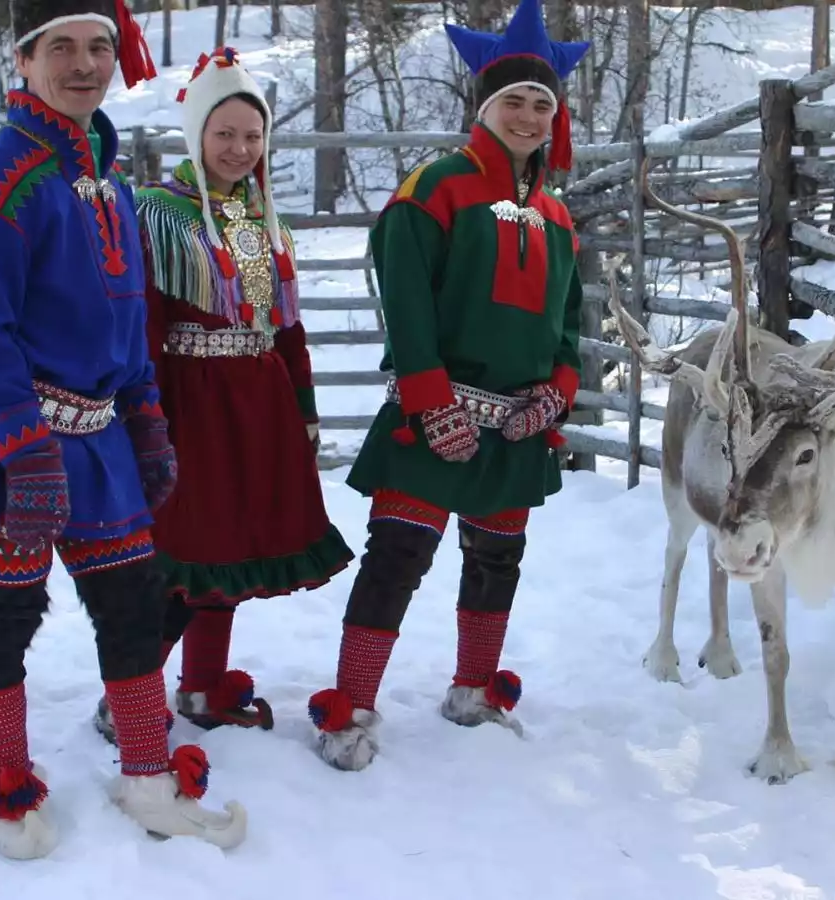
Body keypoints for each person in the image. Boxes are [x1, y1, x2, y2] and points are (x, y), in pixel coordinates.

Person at [0, 0, 245, 859]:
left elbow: (125, 320)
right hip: (9, 443)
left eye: (98, 46)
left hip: (102, 443)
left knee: (131, 605)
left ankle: (147, 776)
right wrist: (24, 448)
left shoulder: (108, 181)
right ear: (24, 61)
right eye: (62, 49)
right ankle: (8, 783)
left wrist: (147, 415)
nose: (85, 64)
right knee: (2, 617)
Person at [304, 0, 590, 772]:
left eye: (541, 105)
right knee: (398, 554)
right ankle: (351, 705)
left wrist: (556, 394)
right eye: (514, 103)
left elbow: (570, 322)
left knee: (498, 559)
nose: (529, 117)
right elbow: (407, 301)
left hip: (518, 425)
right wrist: (431, 405)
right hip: (436, 420)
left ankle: (473, 690)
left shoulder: (558, 216)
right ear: (484, 107)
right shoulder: (435, 188)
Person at [91, 47, 354, 742]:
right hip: (190, 407)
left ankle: (204, 689)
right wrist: (140, 420)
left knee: (228, 557)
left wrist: (301, 414)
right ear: (197, 134)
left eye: (252, 135)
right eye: (224, 133)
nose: (239, 149)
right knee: (182, 559)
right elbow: (140, 324)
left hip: (256, 407)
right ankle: (127, 697)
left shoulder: (257, 224)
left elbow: (282, 330)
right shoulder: (155, 215)